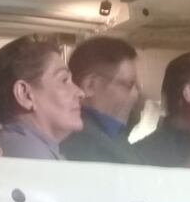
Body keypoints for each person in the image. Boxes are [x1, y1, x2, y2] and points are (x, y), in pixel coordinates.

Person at [0, 35, 84, 160]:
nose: (80, 93)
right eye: (64, 80)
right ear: (25, 95)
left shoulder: (12, 147)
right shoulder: (30, 156)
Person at [60, 36, 144, 164]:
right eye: (128, 85)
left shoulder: (109, 136)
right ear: (90, 85)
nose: (136, 94)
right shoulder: (86, 146)